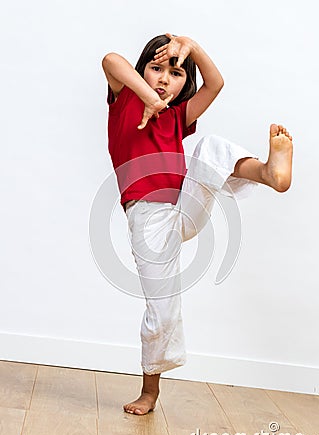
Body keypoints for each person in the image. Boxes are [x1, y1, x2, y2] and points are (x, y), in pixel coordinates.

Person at [102, 33, 293, 415]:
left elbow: (215, 83)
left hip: (185, 205)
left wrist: (192, 46)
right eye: (155, 69)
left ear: (182, 83)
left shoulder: (178, 117)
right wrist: (148, 96)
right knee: (162, 309)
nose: (163, 78)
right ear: (141, 72)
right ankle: (150, 391)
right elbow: (110, 60)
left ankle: (269, 173)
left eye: (174, 73)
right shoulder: (124, 100)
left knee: (209, 148)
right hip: (149, 221)